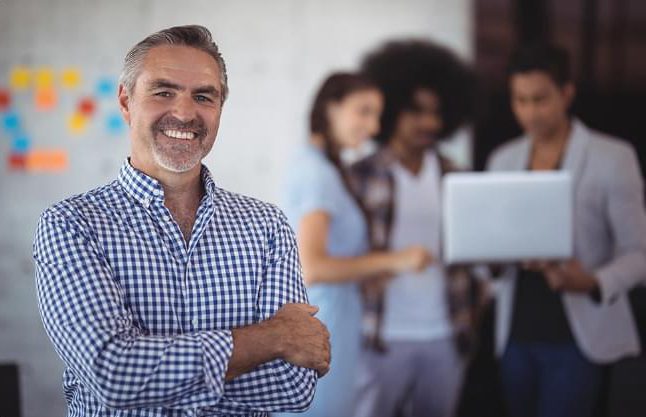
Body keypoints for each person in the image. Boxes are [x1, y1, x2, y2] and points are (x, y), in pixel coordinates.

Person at [33, 25, 330, 417]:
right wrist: (274, 337)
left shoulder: (267, 226)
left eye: (203, 96)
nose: (185, 112)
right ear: (126, 101)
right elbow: (113, 375)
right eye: (164, 92)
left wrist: (155, 380)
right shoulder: (71, 224)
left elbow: (291, 388)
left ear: (220, 108)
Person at [487, 43, 646, 417]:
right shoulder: (502, 160)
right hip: (515, 333)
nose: (529, 112)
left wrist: (591, 281)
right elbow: (490, 251)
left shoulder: (613, 157)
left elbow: (640, 253)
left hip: (578, 336)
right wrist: (490, 263)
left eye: (540, 99)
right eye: (520, 100)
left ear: (567, 93)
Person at [278, 72, 432, 417]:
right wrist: (396, 261)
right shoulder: (316, 173)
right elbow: (313, 267)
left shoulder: (323, 168)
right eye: (363, 111)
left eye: (376, 115)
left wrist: (367, 271)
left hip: (334, 326)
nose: (374, 127)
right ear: (330, 108)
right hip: (323, 324)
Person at [351, 40, 482, 417]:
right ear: (391, 110)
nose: (429, 123)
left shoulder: (454, 176)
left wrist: (477, 306)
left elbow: (477, 255)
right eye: (416, 111)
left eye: (436, 113)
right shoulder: (360, 177)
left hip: (445, 335)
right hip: (380, 336)